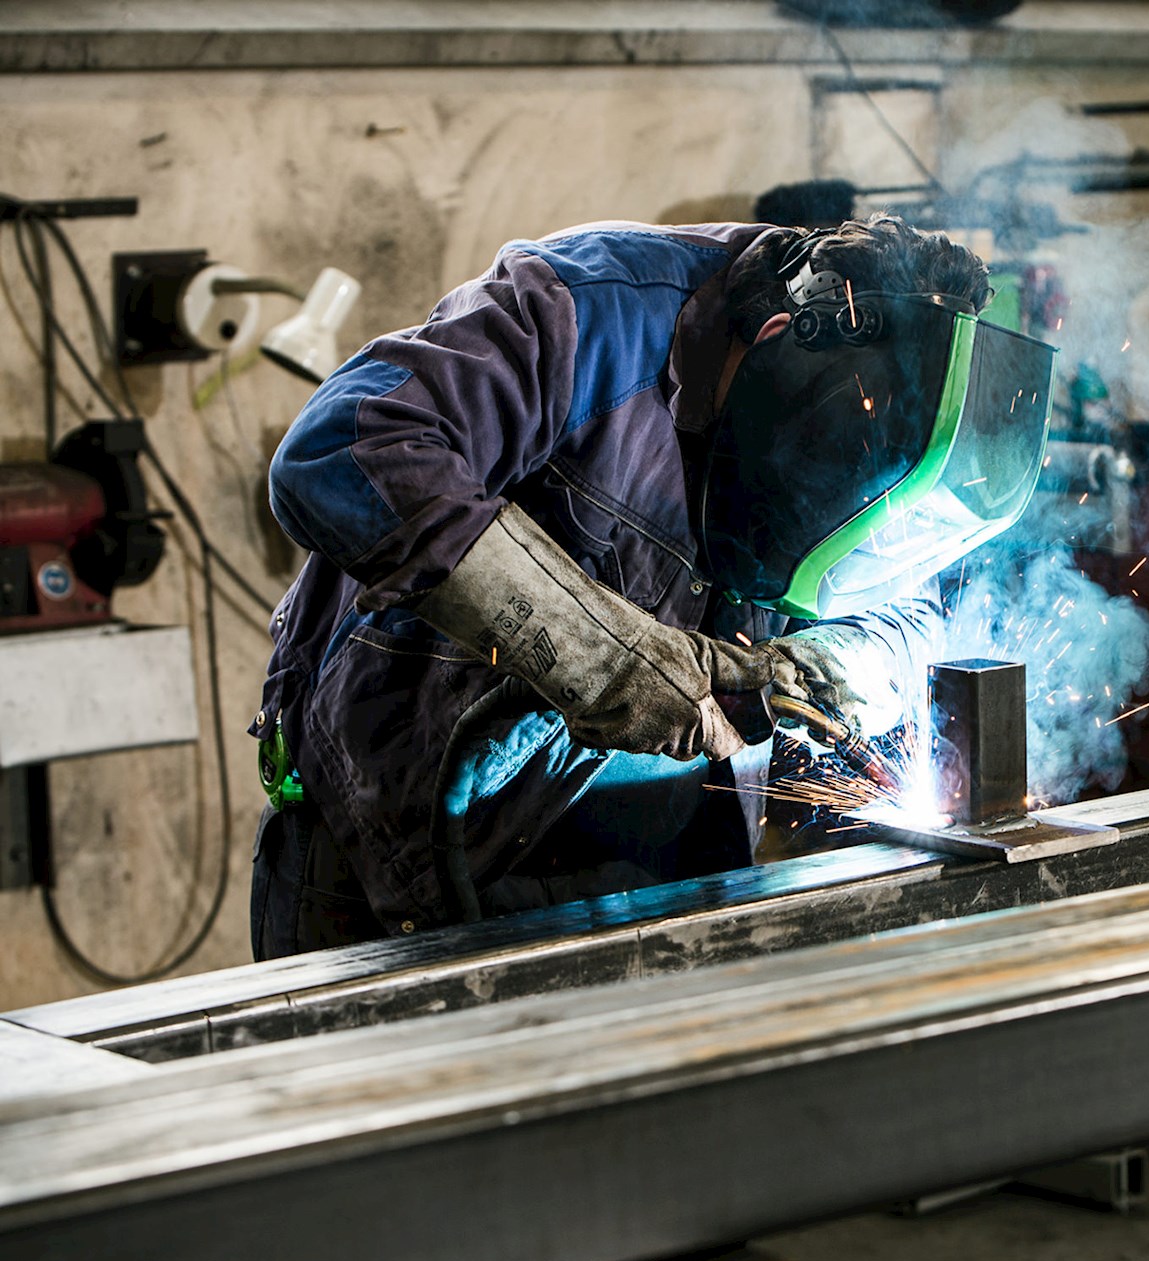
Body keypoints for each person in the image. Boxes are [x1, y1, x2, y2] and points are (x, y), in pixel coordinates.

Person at [249, 215, 1055, 958]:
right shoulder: (582, 314)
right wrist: (606, 659)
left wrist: (810, 670)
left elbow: (911, 610)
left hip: (658, 876)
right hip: (389, 866)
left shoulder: (891, 424)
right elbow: (339, 454)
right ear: (776, 341)